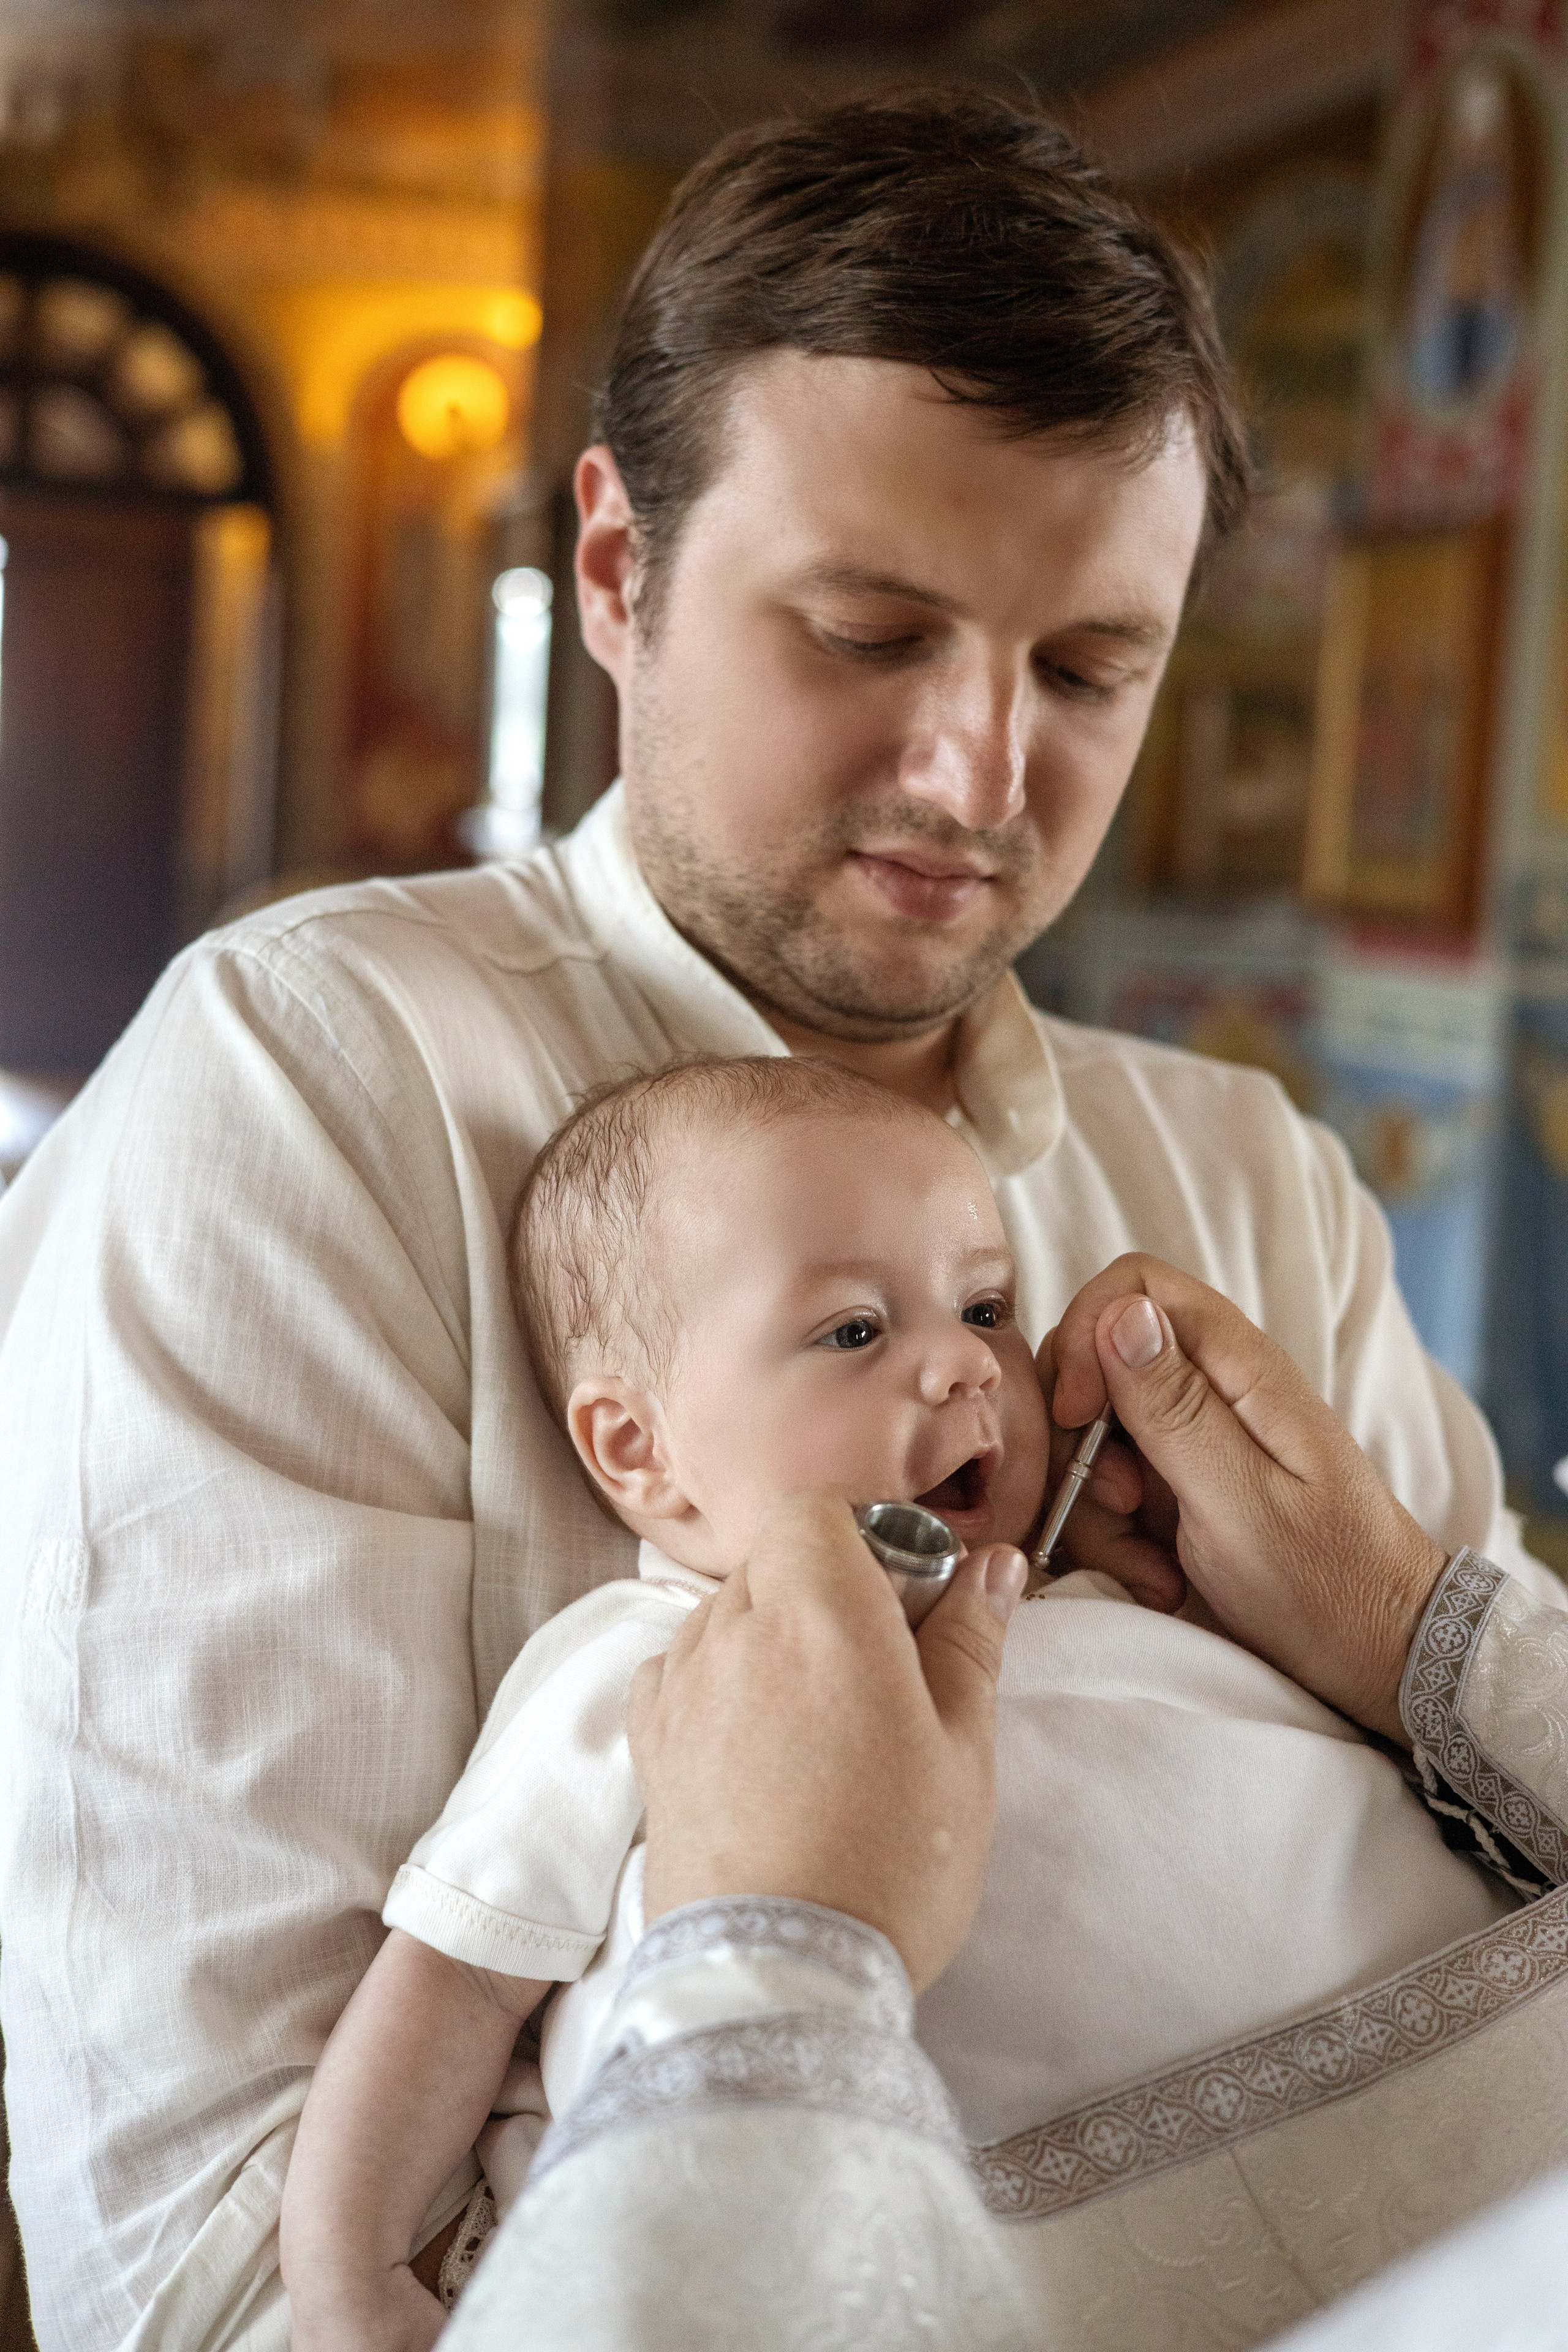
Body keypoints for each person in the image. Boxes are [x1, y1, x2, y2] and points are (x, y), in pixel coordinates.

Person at [0, 86, 1556, 2351]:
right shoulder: (311, 1093)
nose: (981, 775)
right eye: (867, 632)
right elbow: (225, 2283)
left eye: (1092, 671)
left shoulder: (1253, 1188)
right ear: (617, 574)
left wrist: (1417, 1628)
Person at [284, 1054, 1529, 2349]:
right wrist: (353, 2273)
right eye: (853, 1332)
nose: (963, 1367)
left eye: (984, 1306)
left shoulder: (1127, 1595)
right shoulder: (653, 1666)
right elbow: (454, 1980)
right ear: (638, 1451)